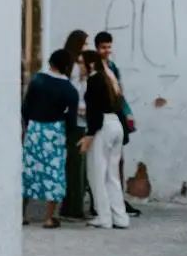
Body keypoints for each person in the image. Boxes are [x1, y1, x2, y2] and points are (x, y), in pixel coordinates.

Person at [22, 50, 81, 228]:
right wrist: (71, 137)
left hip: (35, 129)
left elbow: (25, 107)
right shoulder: (69, 90)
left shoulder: (37, 80)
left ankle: (22, 214)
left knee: (28, 170)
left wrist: (27, 125)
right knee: (53, 173)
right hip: (55, 131)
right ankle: (49, 218)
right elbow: (71, 118)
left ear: (51, 62)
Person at [81, 48, 131, 230]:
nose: (80, 67)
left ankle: (104, 217)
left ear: (90, 64)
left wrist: (89, 135)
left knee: (97, 173)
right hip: (115, 124)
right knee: (112, 175)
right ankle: (120, 217)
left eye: (81, 63)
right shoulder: (109, 79)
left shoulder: (94, 81)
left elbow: (94, 111)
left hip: (103, 127)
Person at [59, 29, 91, 221]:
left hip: (74, 120)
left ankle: (71, 204)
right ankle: (74, 206)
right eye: (85, 44)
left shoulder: (72, 65)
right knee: (77, 164)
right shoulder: (77, 68)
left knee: (75, 163)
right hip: (77, 120)